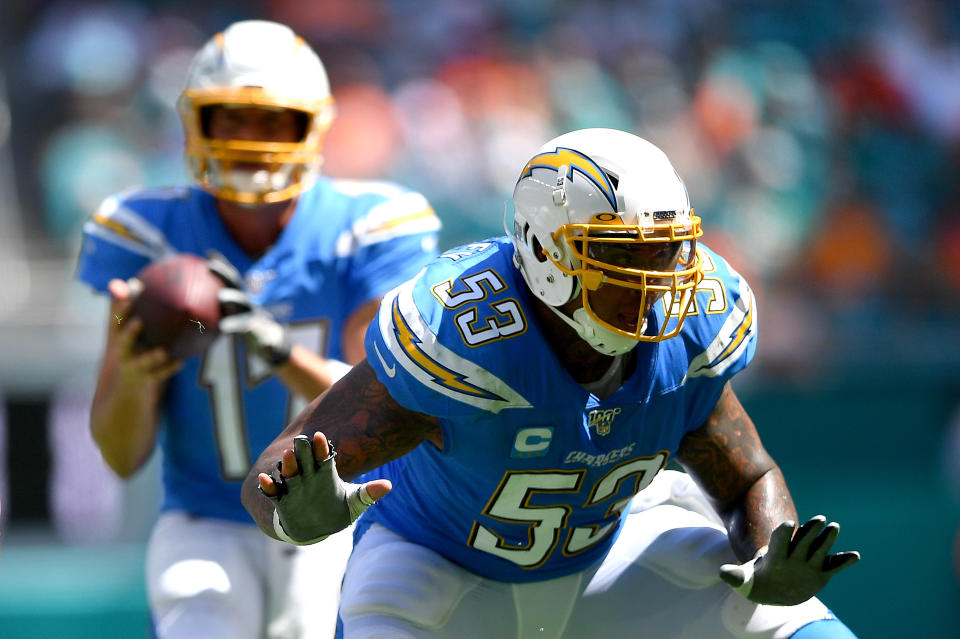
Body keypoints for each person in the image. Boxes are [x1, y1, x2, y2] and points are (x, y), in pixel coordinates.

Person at [242, 128, 860, 639]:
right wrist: (297, 514)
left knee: (802, 628)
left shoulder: (692, 330)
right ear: (547, 255)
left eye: (665, 254)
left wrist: (768, 553)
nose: (656, 284)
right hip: (440, 579)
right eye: (624, 260)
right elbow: (269, 477)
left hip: (613, 559)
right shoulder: (464, 338)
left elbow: (748, 476)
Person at [77, 20, 440, 639]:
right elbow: (120, 456)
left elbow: (378, 396)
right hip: (205, 519)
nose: (251, 139)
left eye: (273, 121)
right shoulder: (145, 232)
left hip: (331, 510)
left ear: (312, 126)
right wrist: (135, 376)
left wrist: (272, 348)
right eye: (231, 119)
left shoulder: (371, 225)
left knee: (315, 622)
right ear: (198, 123)